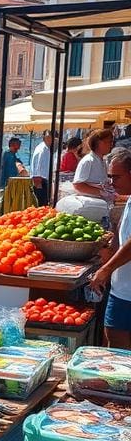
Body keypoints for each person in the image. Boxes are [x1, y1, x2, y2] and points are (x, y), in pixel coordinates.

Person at [90, 147, 131, 348]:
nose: (112, 182)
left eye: (116, 177)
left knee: (118, 346)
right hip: (121, 287)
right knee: (113, 339)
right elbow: (123, 234)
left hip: (127, 291)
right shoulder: (129, 197)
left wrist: (106, 270)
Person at [73, 128, 115, 200]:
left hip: (99, 203)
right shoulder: (88, 161)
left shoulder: (102, 161)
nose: (111, 145)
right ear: (100, 143)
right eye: (109, 142)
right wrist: (101, 192)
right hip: (89, 204)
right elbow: (78, 185)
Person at [30, 130, 53, 207]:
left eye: (50, 137)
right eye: (48, 137)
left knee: (43, 204)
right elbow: (37, 165)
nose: (50, 139)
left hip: (44, 180)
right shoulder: (42, 149)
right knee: (41, 204)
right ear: (44, 138)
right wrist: (38, 182)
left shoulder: (46, 148)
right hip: (40, 180)